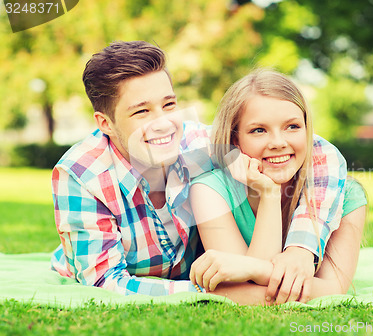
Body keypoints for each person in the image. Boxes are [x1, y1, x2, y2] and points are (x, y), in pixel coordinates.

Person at [50, 41, 347, 302]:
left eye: (168, 105)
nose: (163, 123)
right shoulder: (80, 175)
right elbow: (105, 283)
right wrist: (215, 294)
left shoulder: (197, 145)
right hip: (178, 282)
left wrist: (301, 248)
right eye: (142, 111)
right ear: (105, 123)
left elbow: (320, 152)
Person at [189, 69, 367, 304]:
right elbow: (236, 289)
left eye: (292, 127)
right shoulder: (210, 191)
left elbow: (334, 290)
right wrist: (269, 194)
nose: (278, 143)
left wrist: (257, 271)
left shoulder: (346, 196)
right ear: (235, 140)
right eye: (258, 130)